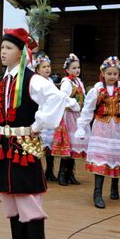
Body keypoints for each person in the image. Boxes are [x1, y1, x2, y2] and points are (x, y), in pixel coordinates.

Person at [0, 28, 77, 239]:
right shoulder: (3, 81)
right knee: (10, 195)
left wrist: (37, 125)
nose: (3, 52)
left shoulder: (33, 79)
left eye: (8, 48)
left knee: (27, 198)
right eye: (2, 48)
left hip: (25, 146)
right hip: (6, 146)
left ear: (21, 52)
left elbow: (56, 99)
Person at [75, 56, 120, 208]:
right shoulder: (97, 90)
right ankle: (97, 193)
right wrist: (82, 126)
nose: (112, 77)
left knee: (116, 156)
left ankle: (114, 186)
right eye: (109, 73)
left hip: (119, 128)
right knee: (102, 158)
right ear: (103, 73)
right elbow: (88, 109)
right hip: (101, 128)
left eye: (115, 74)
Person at [51, 53, 89, 186]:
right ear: (67, 70)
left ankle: (70, 173)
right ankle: (62, 173)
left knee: (74, 147)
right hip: (69, 116)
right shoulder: (66, 82)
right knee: (68, 146)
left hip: (77, 116)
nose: (77, 70)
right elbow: (63, 99)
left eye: (78, 67)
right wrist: (74, 104)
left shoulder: (78, 81)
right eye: (73, 68)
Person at [33, 54, 58, 181]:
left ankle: (49, 171)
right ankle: (37, 173)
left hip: (50, 116)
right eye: (44, 67)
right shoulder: (36, 81)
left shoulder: (50, 81)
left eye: (48, 66)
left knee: (50, 146)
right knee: (39, 145)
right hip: (40, 115)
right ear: (38, 70)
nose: (47, 69)